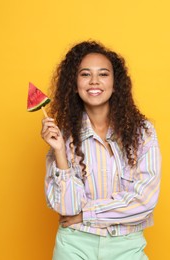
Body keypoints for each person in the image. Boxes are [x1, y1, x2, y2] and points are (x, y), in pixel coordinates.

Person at [41, 40, 161, 260]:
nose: (94, 81)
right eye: (85, 74)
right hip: (74, 244)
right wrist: (59, 151)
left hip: (127, 246)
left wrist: (85, 214)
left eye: (103, 74)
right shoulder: (62, 135)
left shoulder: (143, 132)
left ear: (115, 84)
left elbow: (145, 201)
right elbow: (68, 208)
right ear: (74, 84)